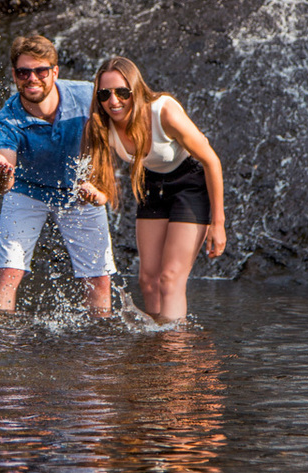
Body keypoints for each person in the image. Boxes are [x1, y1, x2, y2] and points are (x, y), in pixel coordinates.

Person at [80, 57, 225, 323]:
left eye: (122, 93)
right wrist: (93, 193)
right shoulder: (99, 126)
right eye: (105, 94)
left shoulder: (163, 112)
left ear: (135, 89)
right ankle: (156, 348)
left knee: (170, 278)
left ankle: (174, 347)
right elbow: (102, 188)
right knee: (148, 280)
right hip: (150, 185)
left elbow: (211, 160)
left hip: (190, 185)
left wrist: (218, 224)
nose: (114, 101)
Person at [0, 35, 116, 316]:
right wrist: (2, 173)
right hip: (26, 190)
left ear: (54, 72)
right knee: (8, 271)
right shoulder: (5, 121)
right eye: (23, 72)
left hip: (78, 189)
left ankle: (100, 341)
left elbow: (121, 129)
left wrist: (99, 183)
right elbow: (3, 184)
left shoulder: (86, 97)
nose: (32, 78)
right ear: (14, 75)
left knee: (97, 278)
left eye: (40, 71)